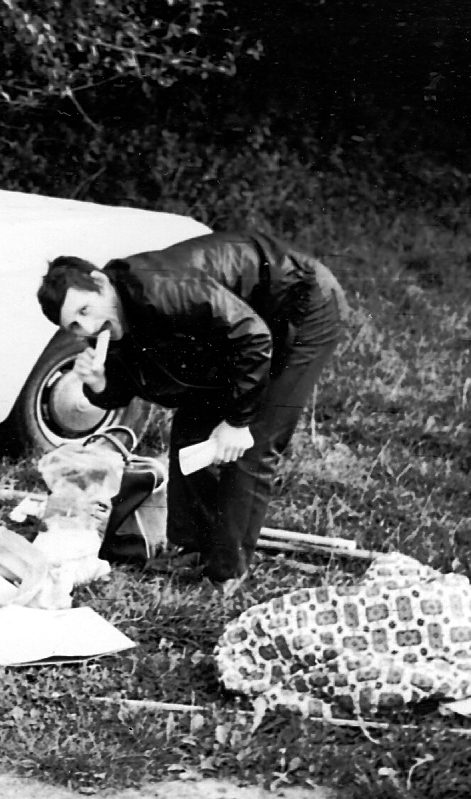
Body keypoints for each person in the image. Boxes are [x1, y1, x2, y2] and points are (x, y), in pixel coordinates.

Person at [36, 231, 348, 589]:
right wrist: (98, 383)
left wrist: (237, 421)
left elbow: (253, 337)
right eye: (74, 326)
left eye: (85, 310)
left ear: (100, 282)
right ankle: (193, 548)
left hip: (299, 301)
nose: (88, 327)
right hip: (242, 329)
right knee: (191, 430)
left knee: (253, 445)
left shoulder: (160, 289)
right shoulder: (109, 326)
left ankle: (226, 573)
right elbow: (137, 385)